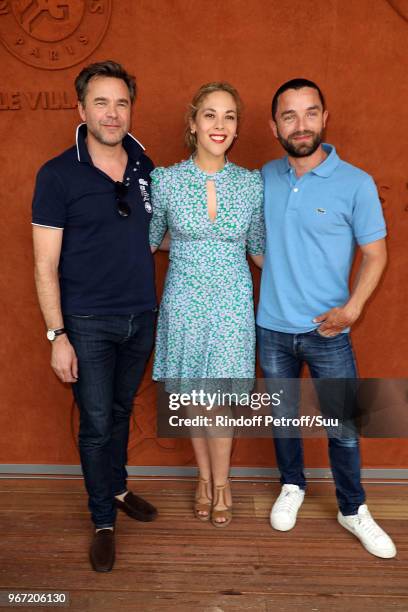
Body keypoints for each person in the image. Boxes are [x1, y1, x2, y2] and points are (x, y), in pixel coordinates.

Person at [257, 78, 397, 558]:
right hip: (272, 328)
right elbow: (254, 242)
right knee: (282, 418)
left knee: (344, 426)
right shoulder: (265, 177)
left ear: (325, 118)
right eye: (289, 116)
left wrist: (352, 309)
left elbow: (375, 255)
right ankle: (292, 484)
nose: (301, 125)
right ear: (274, 124)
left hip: (329, 331)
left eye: (310, 113)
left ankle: (352, 508)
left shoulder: (355, 182)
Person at [32, 60, 158, 572]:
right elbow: (45, 266)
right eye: (101, 102)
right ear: (81, 108)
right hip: (86, 321)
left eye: (122, 102)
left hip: (141, 317)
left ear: (131, 109)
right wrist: (57, 335)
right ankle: (103, 518)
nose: (113, 113)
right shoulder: (57, 173)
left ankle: (120, 486)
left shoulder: (146, 167)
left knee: (123, 411)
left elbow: (158, 235)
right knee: (97, 423)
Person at [150, 82, 264, 527]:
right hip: (184, 303)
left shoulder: (251, 184)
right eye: (211, 115)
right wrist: (188, 248)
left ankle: (222, 485)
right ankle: (204, 480)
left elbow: (258, 249)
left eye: (230, 116)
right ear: (193, 123)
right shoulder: (166, 180)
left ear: (237, 128)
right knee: (195, 401)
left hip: (233, 305)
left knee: (219, 402)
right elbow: (151, 239)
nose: (220, 125)